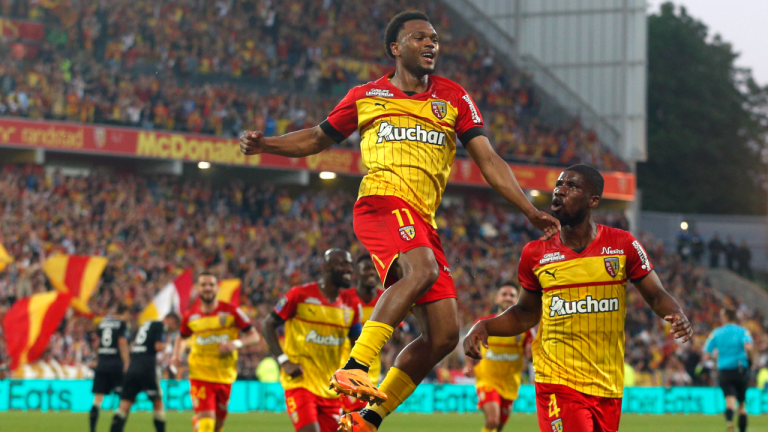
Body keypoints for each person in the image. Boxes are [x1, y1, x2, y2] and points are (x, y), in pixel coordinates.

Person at [239, 11, 560, 432]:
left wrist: (527, 207)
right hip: (380, 203)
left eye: (435, 39)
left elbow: (488, 158)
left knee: (445, 334)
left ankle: (367, 419)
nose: (431, 45)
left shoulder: (455, 98)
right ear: (395, 48)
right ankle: (356, 364)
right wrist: (268, 145)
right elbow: (317, 138)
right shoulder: (366, 95)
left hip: (422, 221)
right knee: (422, 270)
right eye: (419, 38)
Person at [463, 165, 693, 432]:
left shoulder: (623, 244)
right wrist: (485, 325)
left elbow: (656, 295)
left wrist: (677, 312)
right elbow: (526, 313)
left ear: (593, 200)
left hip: (607, 385)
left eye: (572, 186)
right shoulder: (535, 253)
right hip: (557, 380)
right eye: (559, 184)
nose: (560, 189)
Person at [262, 249, 362, 432]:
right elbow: (268, 325)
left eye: (350, 265)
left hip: (331, 389)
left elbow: (358, 343)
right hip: (300, 382)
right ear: (326, 267)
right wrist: (284, 361)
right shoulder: (299, 295)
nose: (349, 269)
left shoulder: (351, 304)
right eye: (343, 264)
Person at [170, 272, 261, 432]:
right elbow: (181, 338)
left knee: (218, 426)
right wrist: (175, 356)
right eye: (203, 285)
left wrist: (236, 343)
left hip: (224, 375)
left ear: (216, 288)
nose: (207, 288)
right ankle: (201, 423)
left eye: (211, 285)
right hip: (200, 374)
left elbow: (254, 336)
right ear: (197, 288)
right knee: (207, 423)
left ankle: (197, 424)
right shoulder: (190, 316)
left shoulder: (232, 311)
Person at [463, 283, 532, 432]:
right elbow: (469, 344)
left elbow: (530, 353)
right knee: (492, 420)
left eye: (512, 295)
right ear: (497, 299)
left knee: (499, 426)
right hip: (487, 380)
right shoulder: (484, 324)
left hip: (510, 383)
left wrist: (531, 353)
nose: (508, 298)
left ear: (517, 300)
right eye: (504, 294)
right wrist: (468, 365)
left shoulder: (525, 328)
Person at [110, 313, 180, 432]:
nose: (171, 330)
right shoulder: (161, 326)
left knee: (125, 405)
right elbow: (158, 346)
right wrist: (167, 342)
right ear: (171, 320)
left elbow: (134, 345)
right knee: (158, 403)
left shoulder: (146, 324)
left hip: (133, 366)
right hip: (147, 368)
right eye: (173, 326)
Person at [339, 254, 388, 413]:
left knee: (358, 421)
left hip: (371, 373)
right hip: (344, 367)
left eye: (374, 269)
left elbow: (399, 338)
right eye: (367, 268)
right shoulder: (344, 298)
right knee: (348, 420)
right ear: (356, 274)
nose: (372, 272)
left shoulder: (386, 298)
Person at [704, 307, 754, 432]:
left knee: (729, 401)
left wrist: (717, 359)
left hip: (724, 371)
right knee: (742, 404)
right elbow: (748, 347)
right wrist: (751, 361)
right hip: (740, 369)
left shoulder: (716, 333)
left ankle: (730, 421)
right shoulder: (743, 331)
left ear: (725, 317)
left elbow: (706, 354)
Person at [90, 303, 130, 432]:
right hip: (116, 364)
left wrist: (98, 358)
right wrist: (127, 362)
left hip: (102, 363)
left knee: (97, 399)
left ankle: (92, 429)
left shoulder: (102, 323)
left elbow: (97, 344)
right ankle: (116, 428)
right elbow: (122, 342)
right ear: (125, 313)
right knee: (122, 398)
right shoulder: (122, 324)